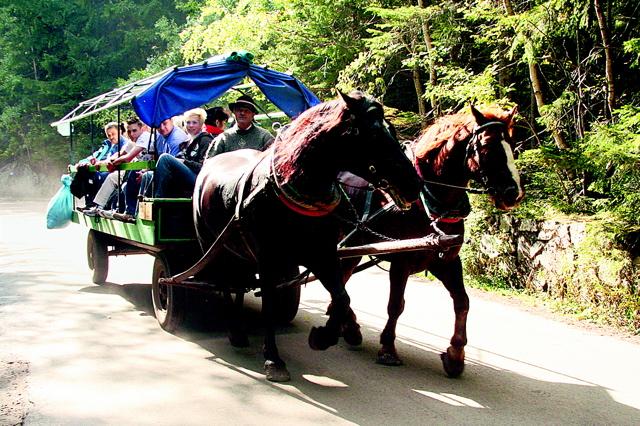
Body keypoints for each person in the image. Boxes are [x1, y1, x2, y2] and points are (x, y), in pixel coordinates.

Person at [115, 116, 190, 222]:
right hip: (163, 170)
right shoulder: (159, 137)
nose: (162, 128)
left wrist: (147, 172)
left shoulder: (176, 138)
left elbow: (172, 166)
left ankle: (140, 213)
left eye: (165, 123)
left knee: (146, 175)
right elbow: (156, 159)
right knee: (134, 174)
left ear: (171, 121)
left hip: (176, 176)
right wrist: (145, 170)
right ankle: (129, 212)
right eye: (159, 125)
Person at [83, 117, 153, 218]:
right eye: (129, 131)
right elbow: (119, 154)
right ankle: (98, 207)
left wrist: (114, 163)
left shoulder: (145, 137)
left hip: (146, 170)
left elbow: (128, 158)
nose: (131, 134)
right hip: (136, 170)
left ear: (142, 129)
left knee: (127, 174)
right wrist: (100, 163)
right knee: (111, 177)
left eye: (134, 130)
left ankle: (130, 212)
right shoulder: (131, 142)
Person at [152, 107, 219, 199]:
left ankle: (157, 199)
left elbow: (203, 167)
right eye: (188, 122)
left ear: (201, 124)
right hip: (185, 176)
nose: (191, 125)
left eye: (194, 122)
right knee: (148, 176)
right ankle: (142, 204)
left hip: (198, 179)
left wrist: (184, 162)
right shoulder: (186, 142)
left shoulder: (205, 140)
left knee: (165, 158)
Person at [72, 122, 128, 209]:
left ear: (120, 131)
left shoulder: (125, 143)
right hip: (108, 169)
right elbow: (102, 157)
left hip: (120, 172)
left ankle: (96, 205)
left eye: (113, 134)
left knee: (96, 176)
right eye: (108, 135)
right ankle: (90, 204)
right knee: (87, 173)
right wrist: (95, 161)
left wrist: (100, 163)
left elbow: (115, 158)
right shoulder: (111, 145)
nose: (111, 137)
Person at [206, 94, 274, 159]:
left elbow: (275, 159)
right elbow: (210, 162)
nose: (242, 113)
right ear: (234, 113)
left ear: (253, 115)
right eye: (239, 110)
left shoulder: (264, 136)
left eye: (246, 111)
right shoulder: (224, 138)